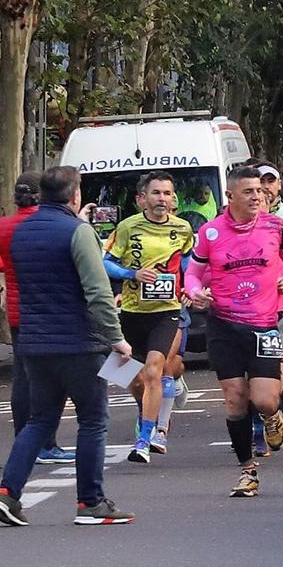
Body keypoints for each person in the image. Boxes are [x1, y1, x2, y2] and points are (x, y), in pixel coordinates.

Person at [0, 166, 136, 526]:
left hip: (35, 342)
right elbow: (98, 292)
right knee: (94, 420)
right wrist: (116, 338)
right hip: (80, 343)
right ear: (74, 195)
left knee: (39, 420)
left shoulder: (21, 233)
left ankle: (7, 493)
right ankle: (90, 502)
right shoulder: (78, 232)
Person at [185, 164, 283, 500]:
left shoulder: (276, 226)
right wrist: (195, 292)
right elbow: (193, 274)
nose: (258, 196)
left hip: (265, 322)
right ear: (231, 195)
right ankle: (248, 471)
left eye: (261, 191)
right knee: (235, 400)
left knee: (265, 399)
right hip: (223, 324)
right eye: (249, 191)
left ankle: (272, 416)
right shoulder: (210, 232)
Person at [102, 171, 193, 463]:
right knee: (131, 378)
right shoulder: (127, 227)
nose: (162, 199)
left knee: (155, 370)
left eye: (167, 194)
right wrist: (132, 274)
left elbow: (191, 265)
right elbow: (105, 263)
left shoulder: (183, 229)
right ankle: (147, 414)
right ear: (142, 198)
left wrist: (190, 287)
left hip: (166, 311)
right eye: (156, 193)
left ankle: (145, 439)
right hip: (131, 311)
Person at [0, 171, 74, 465]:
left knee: (23, 379)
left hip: (16, 310)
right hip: (46, 310)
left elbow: (2, 260)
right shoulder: (48, 225)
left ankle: (24, 439)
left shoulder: (3, 226)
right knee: (54, 378)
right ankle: (46, 441)